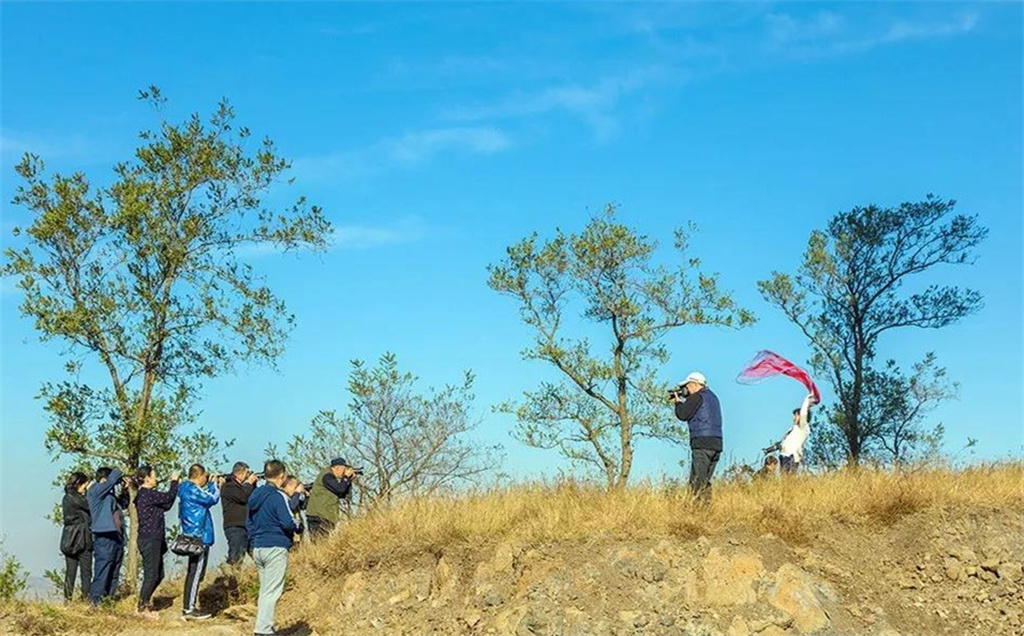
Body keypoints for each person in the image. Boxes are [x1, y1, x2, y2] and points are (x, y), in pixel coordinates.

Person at [248, 460, 300, 636]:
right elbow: (287, 521)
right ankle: (263, 631)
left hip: (258, 547)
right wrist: (298, 525)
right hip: (275, 546)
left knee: (265, 590)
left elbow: (249, 522)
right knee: (272, 592)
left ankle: (263, 628)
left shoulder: (255, 495)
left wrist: (253, 540)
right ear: (282, 476)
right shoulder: (279, 496)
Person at [133, 465, 180, 615]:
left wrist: (173, 490)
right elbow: (168, 497)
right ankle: (142, 607)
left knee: (159, 574)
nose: (157, 478)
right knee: (151, 574)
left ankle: (144, 602)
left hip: (155, 538)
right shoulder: (146, 494)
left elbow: (167, 504)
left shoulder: (150, 495)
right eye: (154, 476)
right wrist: (174, 482)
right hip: (149, 538)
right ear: (147, 478)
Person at [178, 463, 222, 620]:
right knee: (196, 573)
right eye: (205, 476)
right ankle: (189, 609)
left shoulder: (185, 489)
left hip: (193, 535)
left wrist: (210, 484)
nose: (206, 479)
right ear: (199, 475)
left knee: (195, 572)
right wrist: (216, 485)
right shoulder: (191, 489)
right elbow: (212, 499)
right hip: (199, 536)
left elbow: (205, 498)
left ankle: (188, 606)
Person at [672, 371, 723, 503]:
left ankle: (697, 511)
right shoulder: (713, 397)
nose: (686, 390)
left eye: (687, 386)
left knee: (697, 481)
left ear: (694, 384)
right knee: (705, 480)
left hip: (702, 443)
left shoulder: (697, 397)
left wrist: (678, 402)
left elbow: (682, 414)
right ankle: (706, 509)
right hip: (716, 443)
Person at [86, 466, 129, 605]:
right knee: (102, 571)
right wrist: (119, 471)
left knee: (114, 572)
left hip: (117, 537)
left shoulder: (110, 496)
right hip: (104, 537)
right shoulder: (95, 491)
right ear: (104, 479)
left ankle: (108, 602)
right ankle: (96, 602)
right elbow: (110, 482)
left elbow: (123, 505)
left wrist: (125, 490)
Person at [60, 472, 93, 602]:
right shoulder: (76, 498)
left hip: (69, 539)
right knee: (86, 572)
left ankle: (68, 600)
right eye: (85, 484)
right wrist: (91, 491)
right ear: (79, 483)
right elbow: (90, 506)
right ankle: (85, 599)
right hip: (82, 539)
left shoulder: (67, 497)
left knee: (70, 572)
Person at [763, 394, 817, 473]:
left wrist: (807, 400)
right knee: (785, 480)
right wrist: (769, 449)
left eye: (796, 415)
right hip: (783, 456)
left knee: (789, 477)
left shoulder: (803, 428)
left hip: (792, 457)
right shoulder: (792, 429)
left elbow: (803, 413)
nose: (794, 418)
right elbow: (782, 443)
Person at [304, 458, 354, 539]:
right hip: (318, 517)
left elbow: (343, 494)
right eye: (344, 469)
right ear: (337, 468)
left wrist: (349, 480)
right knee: (319, 545)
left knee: (322, 544)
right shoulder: (327, 476)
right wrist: (345, 477)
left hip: (324, 516)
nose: (344, 472)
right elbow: (340, 489)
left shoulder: (330, 477)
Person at [221, 461, 259, 565]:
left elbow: (253, 498)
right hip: (235, 526)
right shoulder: (228, 486)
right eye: (247, 473)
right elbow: (242, 497)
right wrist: (249, 483)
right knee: (236, 556)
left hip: (247, 526)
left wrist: (253, 484)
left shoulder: (243, 487)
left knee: (257, 554)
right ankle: (233, 577)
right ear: (241, 473)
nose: (248, 476)